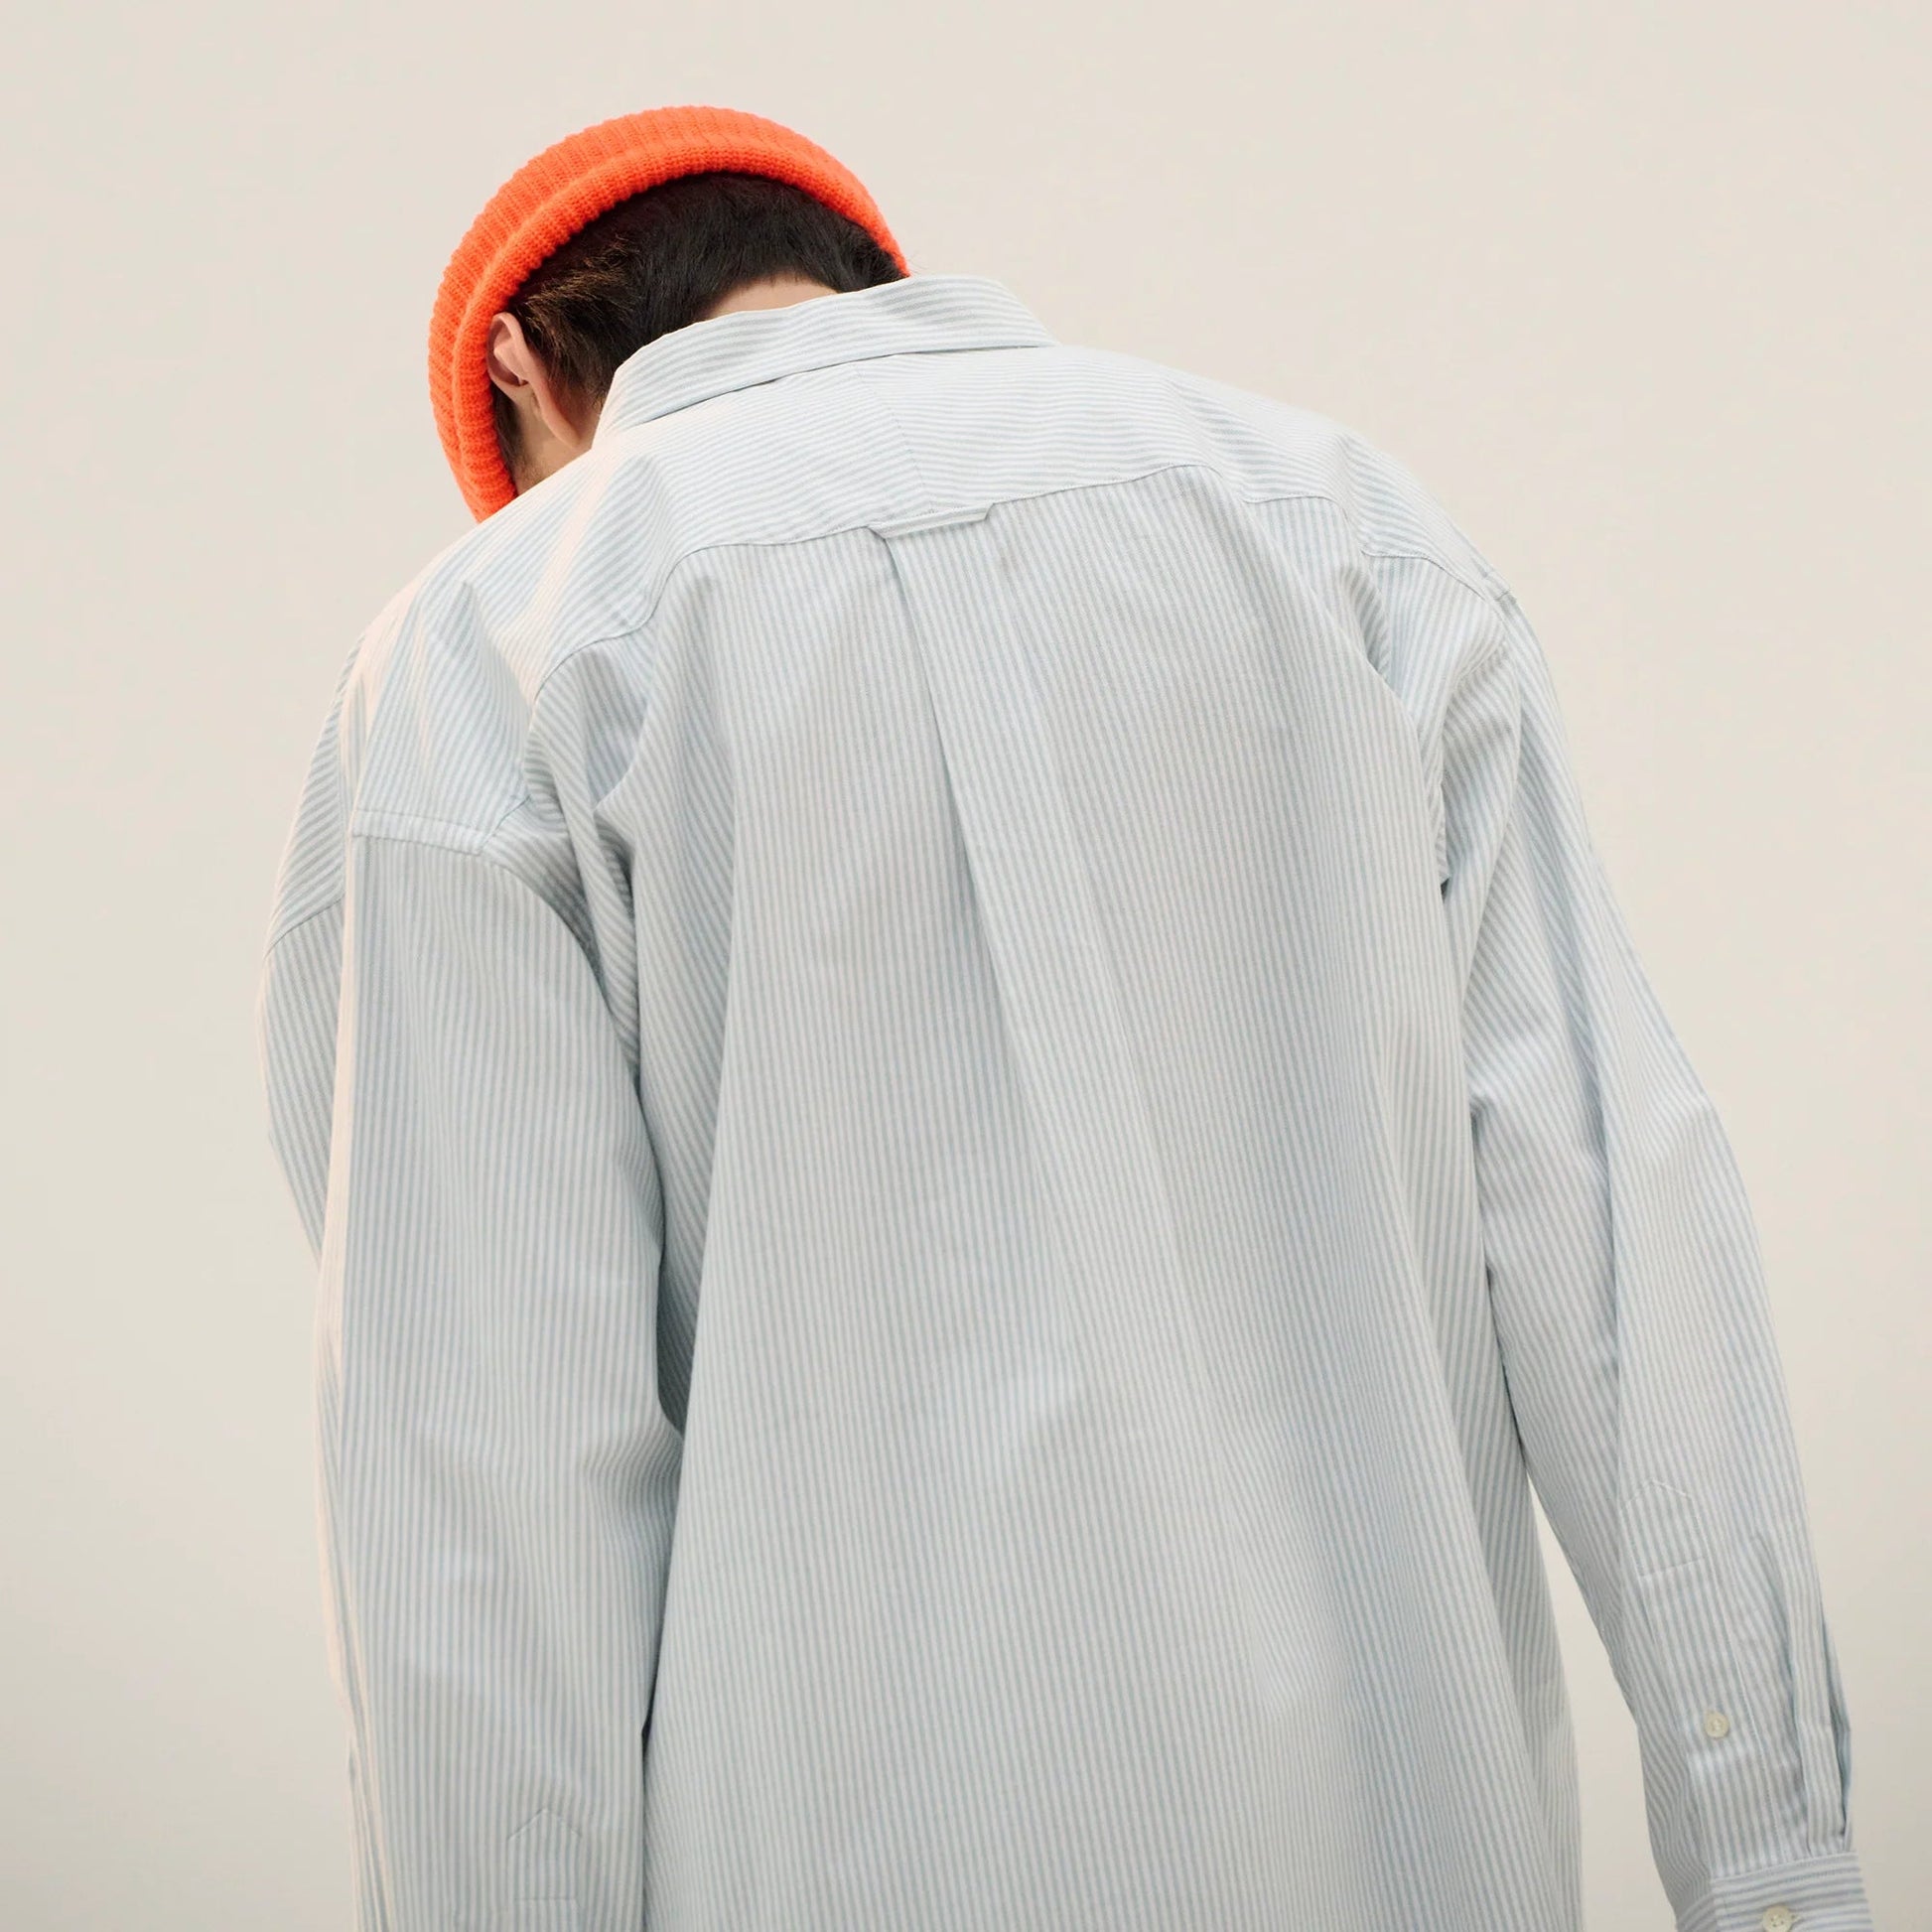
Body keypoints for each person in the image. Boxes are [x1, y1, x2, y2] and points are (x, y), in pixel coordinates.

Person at [255, 102, 1873, 1932]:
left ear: (518, 371)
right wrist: (1773, 1861)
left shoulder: (487, 654)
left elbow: (483, 1472)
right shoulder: (1342, 527)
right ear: (861, 273)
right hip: (1404, 1849)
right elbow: (1613, 1218)